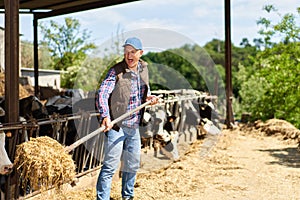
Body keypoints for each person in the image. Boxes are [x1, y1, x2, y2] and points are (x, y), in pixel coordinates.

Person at [96, 37, 158, 200]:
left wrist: (149, 97)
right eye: (126, 52)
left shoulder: (144, 68)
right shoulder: (116, 71)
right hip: (117, 126)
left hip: (134, 126)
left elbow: (145, 90)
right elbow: (103, 93)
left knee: (132, 165)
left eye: (132, 52)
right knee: (110, 166)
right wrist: (105, 116)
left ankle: (128, 196)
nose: (128, 56)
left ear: (140, 53)